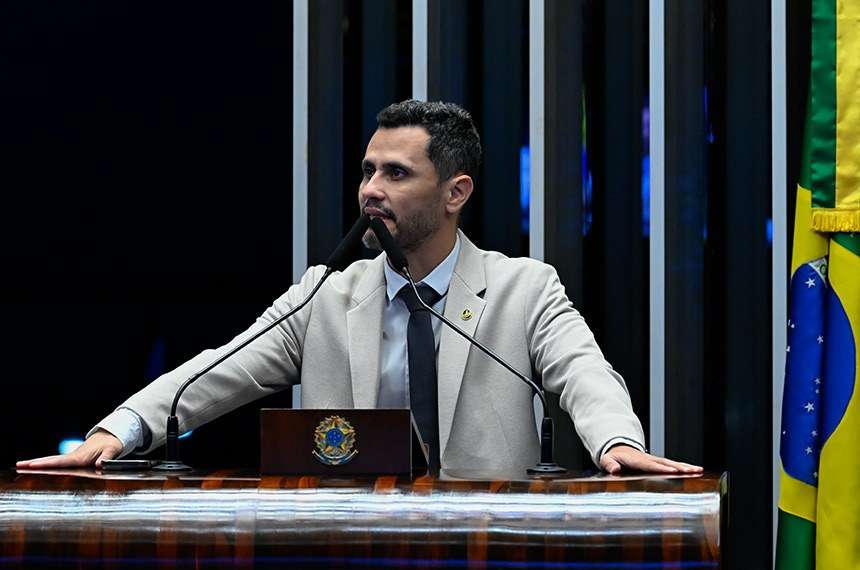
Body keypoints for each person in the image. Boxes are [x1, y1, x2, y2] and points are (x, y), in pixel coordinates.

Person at [18, 100, 701, 476]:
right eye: (368, 170)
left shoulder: (524, 288)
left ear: (456, 192)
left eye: (396, 174)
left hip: (487, 546)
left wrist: (614, 443)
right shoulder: (324, 296)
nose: (371, 189)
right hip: (353, 545)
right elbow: (213, 373)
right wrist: (118, 429)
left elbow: (584, 373)